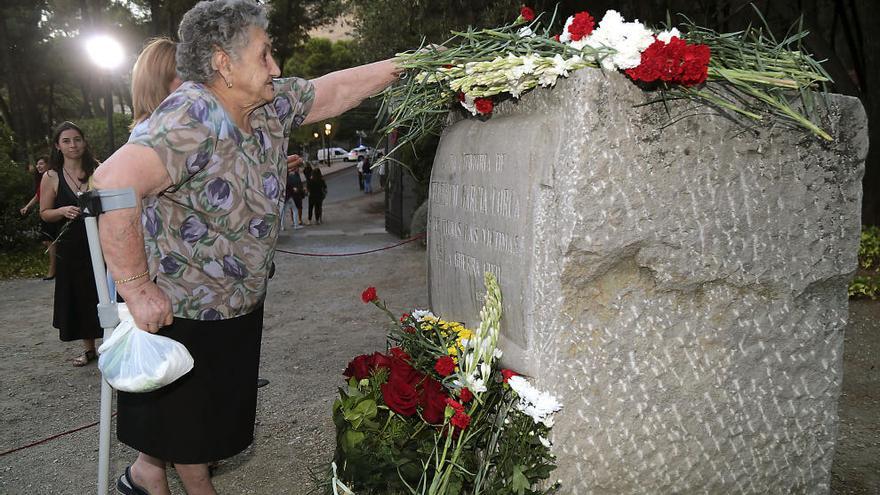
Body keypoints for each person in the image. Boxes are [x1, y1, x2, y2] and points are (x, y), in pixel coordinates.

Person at [91, 0, 402, 493]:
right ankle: (184, 486)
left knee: (210, 417)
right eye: (264, 55)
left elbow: (333, 89)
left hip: (238, 300)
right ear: (222, 63)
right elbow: (111, 182)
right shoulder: (190, 115)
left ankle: (147, 475)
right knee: (193, 422)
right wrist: (135, 285)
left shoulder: (267, 102)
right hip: (186, 308)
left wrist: (404, 66)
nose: (275, 67)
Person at [39, 122, 103, 366]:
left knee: (103, 291)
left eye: (77, 139)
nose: (73, 145)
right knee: (79, 294)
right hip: (71, 246)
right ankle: (89, 350)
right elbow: (44, 213)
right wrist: (62, 210)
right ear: (58, 145)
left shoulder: (98, 169)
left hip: (101, 241)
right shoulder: (51, 176)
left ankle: (115, 346)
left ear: (84, 141)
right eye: (66, 141)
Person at [21, 156, 57, 280]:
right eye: (37, 164)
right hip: (44, 213)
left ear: (48, 164)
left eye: (41, 164)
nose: (38, 166)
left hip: (52, 212)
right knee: (48, 241)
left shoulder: (51, 177)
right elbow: (38, 196)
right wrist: (27, 207)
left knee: (50, 241)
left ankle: (53, 270)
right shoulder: (42, 179)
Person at [283, 155, 305, 229]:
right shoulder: (288, 176)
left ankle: (283, 226)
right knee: (294, 209)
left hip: (285, 195)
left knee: (285, 211)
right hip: (289, 195)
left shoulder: (285, 175)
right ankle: (296, 225)